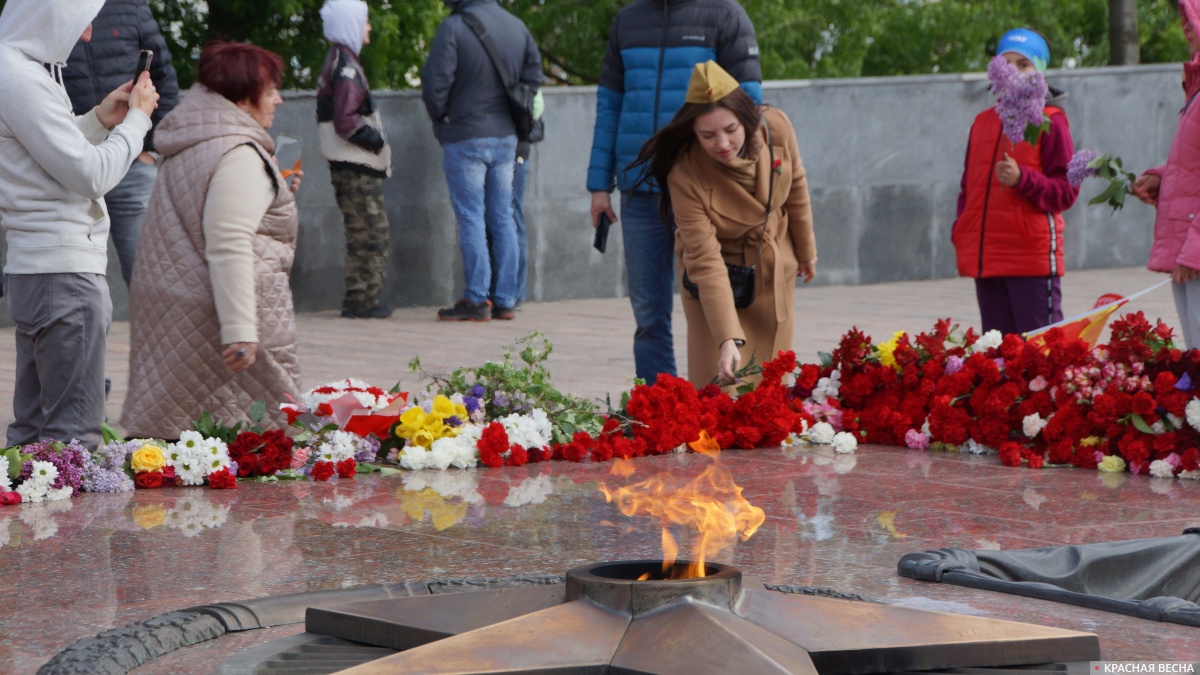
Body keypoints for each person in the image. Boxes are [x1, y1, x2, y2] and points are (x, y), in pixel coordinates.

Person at [121, 42, 301, 438]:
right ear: (244, 96)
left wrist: (276, 191)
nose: (278, 99)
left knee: (175, 435)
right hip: (217, 313)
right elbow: (229, 240)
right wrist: (240, 331)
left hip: (177, 299)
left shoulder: (198, 139)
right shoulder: (238, 151)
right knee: (256, 444)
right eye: (270, 91)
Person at [0, 0, 158, 451]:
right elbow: (92, 176)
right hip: (63, 274)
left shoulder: (15, 69)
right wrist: (137, 121)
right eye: (81, 20)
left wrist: (96, 121)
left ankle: (27, 524)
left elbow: (40, 155)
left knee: (31, 440)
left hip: (37, 269)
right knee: (74, 441)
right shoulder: (23, 79)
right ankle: (68, 526)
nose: (86, 34)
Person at [587, 0, 762, 385]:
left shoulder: (725, 16)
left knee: (709, 305)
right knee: (649, 314)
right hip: (640, 192)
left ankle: (717, 402)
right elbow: (610, 106)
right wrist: (600, 184)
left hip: (705, 192)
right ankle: (660, 405)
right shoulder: (627, 22)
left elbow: (749, 108)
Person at [631, 61, 815, 386]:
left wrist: (806, 250)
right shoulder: (684, 174)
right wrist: (727, 337)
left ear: (746, 118)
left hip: (772, 268)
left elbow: (796, 185)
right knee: (720, 395)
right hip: (715, 286)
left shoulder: (777, 127)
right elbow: (704, 260)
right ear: (693, 133)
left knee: (770, 394)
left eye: (731, 130)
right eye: (708, 135)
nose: (723, 143)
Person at [951, 28, 1080, 337]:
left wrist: (1024, 179)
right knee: (997, 360)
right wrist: (961, 228)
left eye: (1024, 64)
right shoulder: (982, 122)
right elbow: (967, 188)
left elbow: (1066, 191)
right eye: (1007, 63)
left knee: (1041, 356)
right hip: (987, 260)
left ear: (1040, 72)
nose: (1015, 72)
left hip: (1030, 262)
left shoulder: (1051, 120)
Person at [422, 0, 543, 322]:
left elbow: (435, 84)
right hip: (505, 137)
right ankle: (505, 300)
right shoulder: (516, 26)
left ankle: (477, 298)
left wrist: (442, 119)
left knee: (471, 217)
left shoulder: (453, 27)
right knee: (502, 216)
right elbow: (534, 77)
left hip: (465, 136)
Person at [64, 0, 180, 289]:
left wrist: (149, 147)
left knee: (150, 277)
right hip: (69, 165)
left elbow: (164, 78)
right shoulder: (43, 9)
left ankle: (154, 333)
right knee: (70, 285)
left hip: (131, 162)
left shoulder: (129, 6)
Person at [318, 0, 394, 320]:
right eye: (364, 21)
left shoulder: (340, 61)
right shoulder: (346, 68)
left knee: (362, 230)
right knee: (371, 232)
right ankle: (362, 301)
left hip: (348, 164)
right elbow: (346, 121)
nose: (369, 27)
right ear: (350, 24)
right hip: (355, 165)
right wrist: (376, 140)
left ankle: (359, 299)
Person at [1133, 1, 1200, 349]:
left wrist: (1197, 248)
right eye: (1184, 19)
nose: (1186, 27)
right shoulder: (1195, 87)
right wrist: (1163, 176)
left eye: (1193, 17)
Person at [490, 89, 544, 308]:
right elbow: (537, 106)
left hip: (500, 143)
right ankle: (512, 292)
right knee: (512, 215)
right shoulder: (523, 62)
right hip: (519, 145)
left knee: (501, 217)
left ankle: (503, 291)